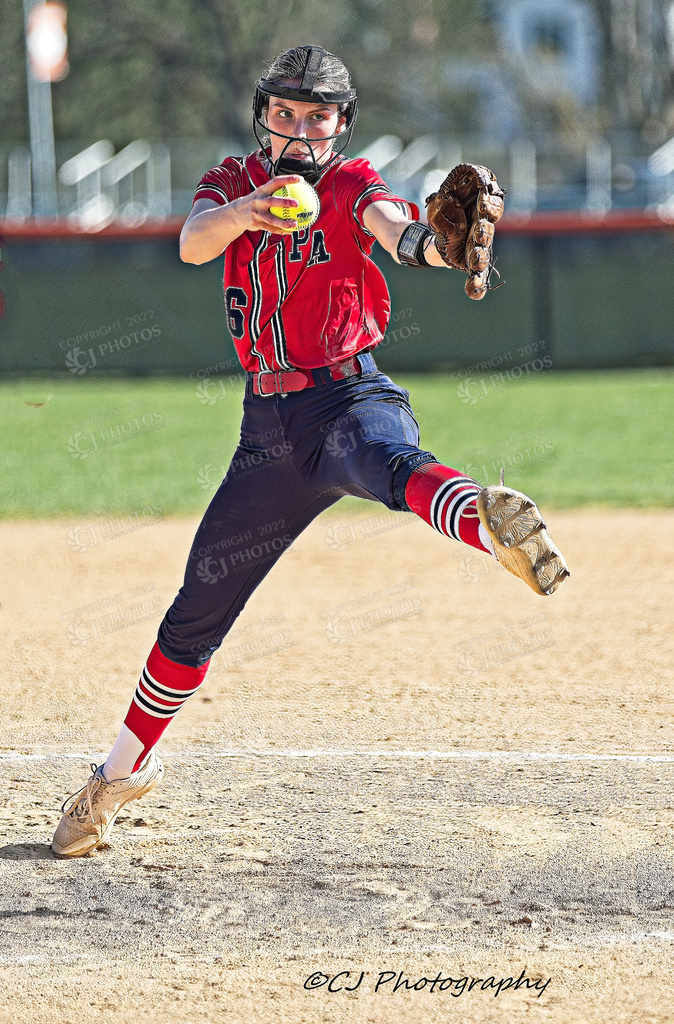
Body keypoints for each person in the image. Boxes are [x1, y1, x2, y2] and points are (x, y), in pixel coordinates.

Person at [52, 45, 569, 858]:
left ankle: (486, 519)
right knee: (195, 612)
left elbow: (399, 232)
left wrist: (441, 247)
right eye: (284, 112)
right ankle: (118, 775)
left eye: (317, 115)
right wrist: (249, 210)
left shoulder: (353, 183)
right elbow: (193, 242)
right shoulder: (233, 181)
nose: (299, 130)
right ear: (263, 116)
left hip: (348, 398)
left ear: (340, 124)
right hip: (267, 431)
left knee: (389, 462)